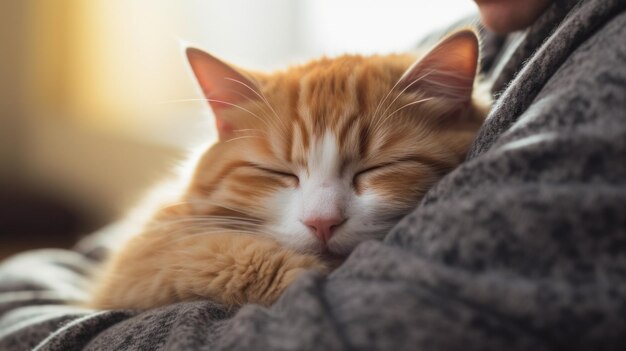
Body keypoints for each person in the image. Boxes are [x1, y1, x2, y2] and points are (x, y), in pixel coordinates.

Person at [1, 0, 625, 349]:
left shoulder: (604, 71)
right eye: (282, 176)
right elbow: (101, 269)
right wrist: (259, 271)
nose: (320, 216)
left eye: (373, 171)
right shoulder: (472, 34)